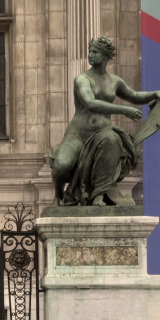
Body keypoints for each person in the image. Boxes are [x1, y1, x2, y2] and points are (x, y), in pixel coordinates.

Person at [51, 36, 160, 206]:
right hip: (78, 135)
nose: (90, 55)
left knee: (111, 140)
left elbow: (135, 96)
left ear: (105, 56)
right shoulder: (82, 79)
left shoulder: (115, 81)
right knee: (61, 165)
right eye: (90, 51)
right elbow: (90, 103)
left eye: (95, 52)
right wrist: (124, 110)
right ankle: (59, 195)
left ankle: (98, 196)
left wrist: (154, 94)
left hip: (102, 133)